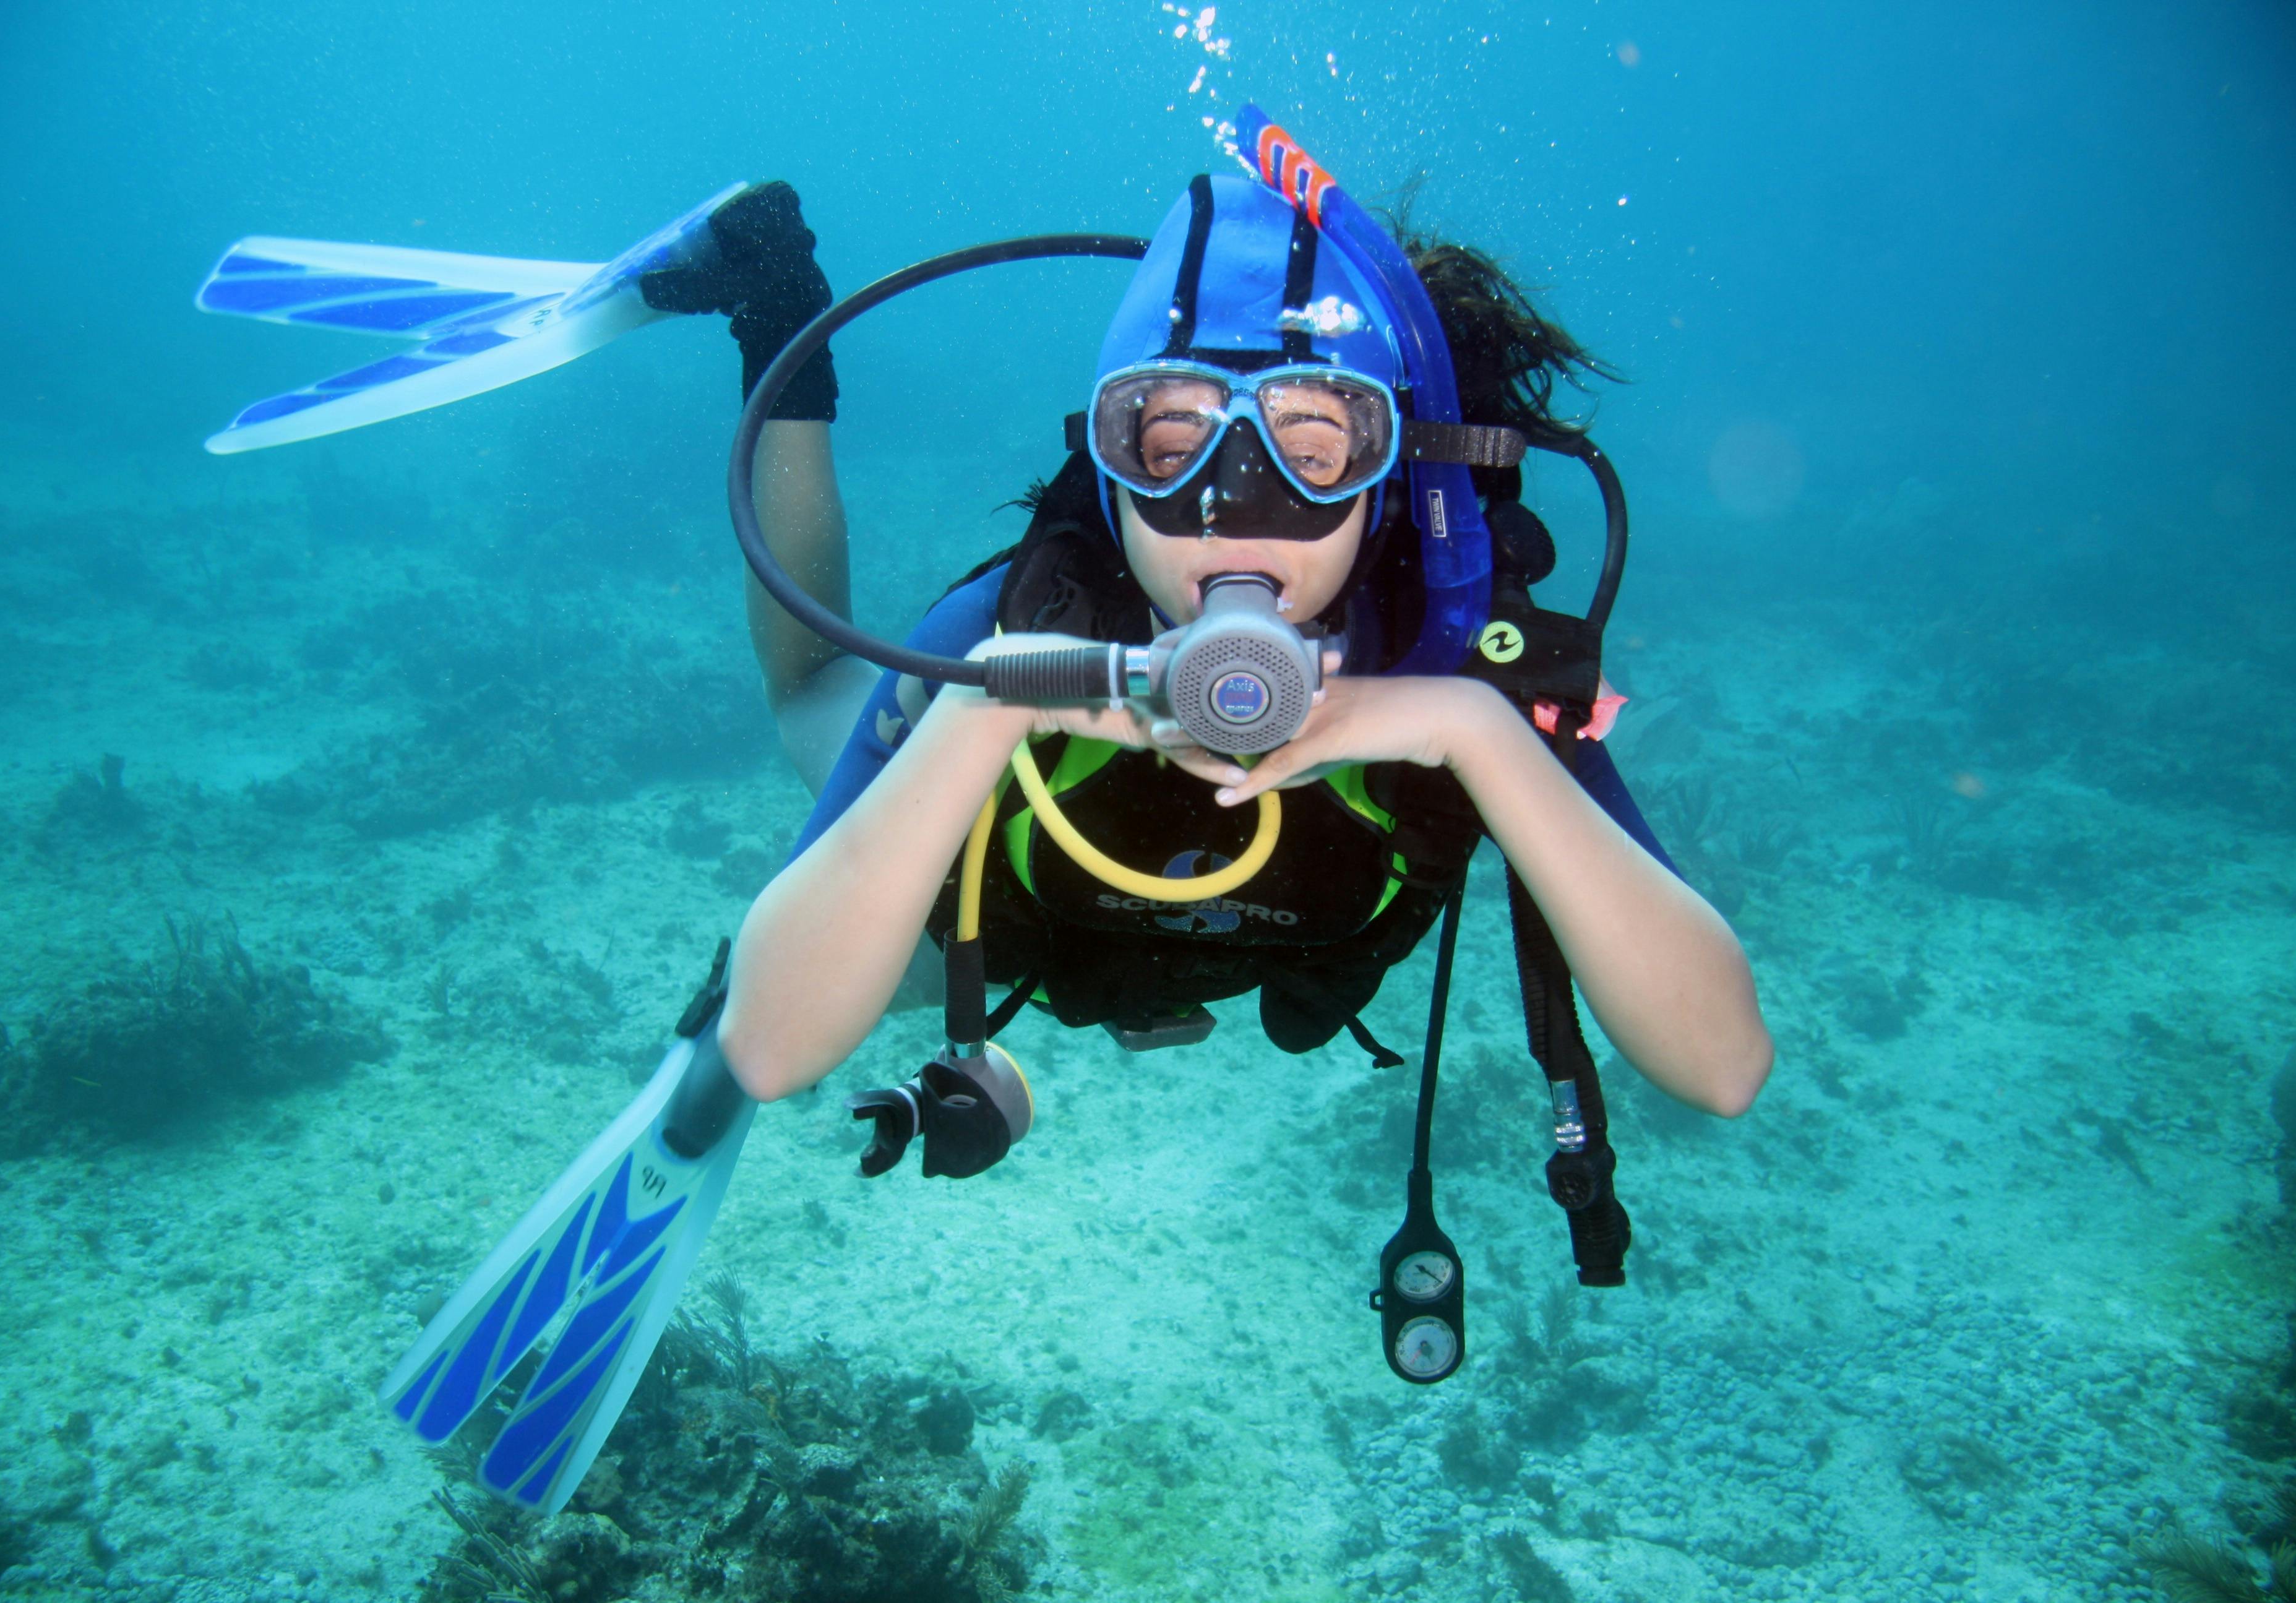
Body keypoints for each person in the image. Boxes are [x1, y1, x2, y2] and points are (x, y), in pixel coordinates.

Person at [381, 152, 1772, 1515]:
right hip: (1015, 912)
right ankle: (772, 302)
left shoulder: (1462, 664)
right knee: (812, 698)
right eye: (1168, 445)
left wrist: (1470, 731)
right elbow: (779, 1050)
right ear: (1104, 466)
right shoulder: (1020, 636)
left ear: (1391, 468)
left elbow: (1720, 1066)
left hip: (1261, 923)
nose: (1235, 514)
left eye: (1312, 448)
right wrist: (991, 709)